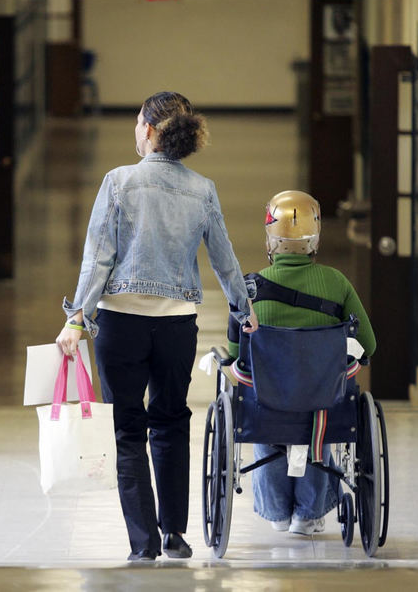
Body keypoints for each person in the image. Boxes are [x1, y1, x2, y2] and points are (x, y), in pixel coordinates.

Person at [56, 91, 258, 562]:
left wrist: (76, 317)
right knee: (170, 423)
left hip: (121, 325)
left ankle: (143, 544)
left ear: (148, 128)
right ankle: (175, 535)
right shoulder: (202, 188)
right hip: (176, 328)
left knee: (128, 430)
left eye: (135, 123)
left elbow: (99, 257)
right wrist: (244, 310)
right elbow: (225, 259)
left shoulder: (119, 182)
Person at [226, 190, 376, 536]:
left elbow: (236, 355)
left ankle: (277, 512)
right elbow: (369, 345)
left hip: (267, 406)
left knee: (263, 398)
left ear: (271, 240)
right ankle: (309, 514)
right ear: (315, 240)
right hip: (323, 405)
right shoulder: (337, 283)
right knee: (320, 405)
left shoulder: (248, 289)